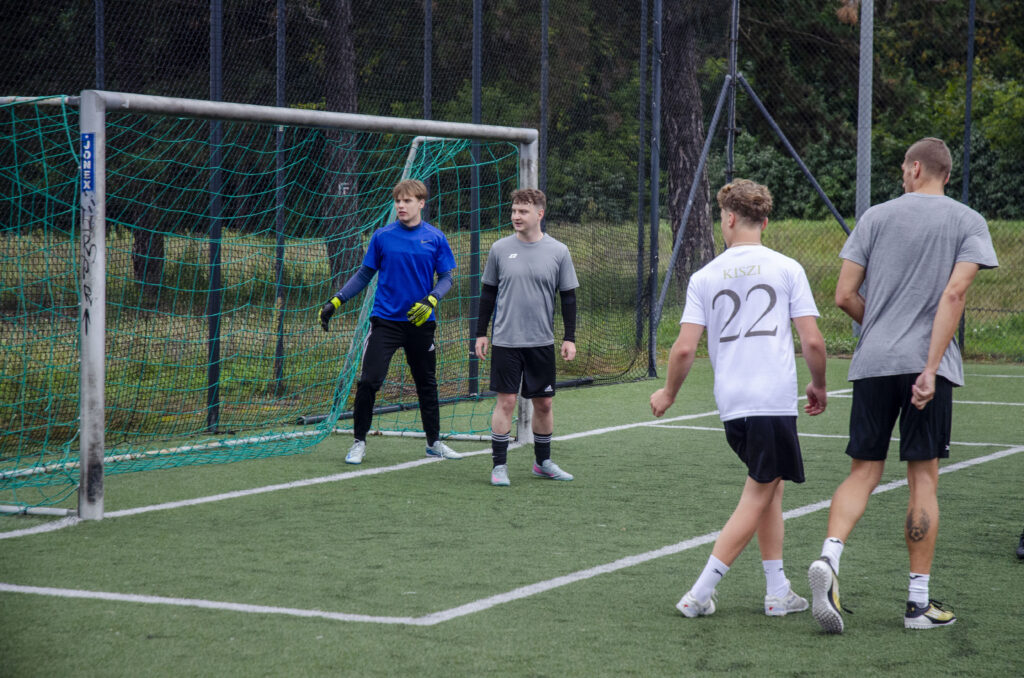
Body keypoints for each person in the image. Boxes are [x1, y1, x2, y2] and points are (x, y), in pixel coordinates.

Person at [808, 137, 998, 633]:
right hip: (925, 366)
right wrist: (929, 367)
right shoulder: (968, 221)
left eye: (903, 169)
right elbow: (954, 294)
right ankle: (917, 604)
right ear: (946, 175)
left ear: (915, 168)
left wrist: (881, 331)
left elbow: (844, 295)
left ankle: (829, 559)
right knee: (923, 479)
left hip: (874, 362)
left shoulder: (874, 217)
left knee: (862, 472)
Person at [650, 179, 828, 619]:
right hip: (771, 401)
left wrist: (669, 393)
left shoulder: (704, 276)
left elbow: (684, 348)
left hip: (732, 405)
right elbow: (812, 341)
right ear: (763, 222)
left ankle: (777, 590)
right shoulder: (787, 268)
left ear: (728, 218)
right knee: (758, 494)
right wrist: (819, 384)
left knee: (770, 488)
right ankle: (699, 592)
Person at [318, 178, 464, 464]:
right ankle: (359, 442)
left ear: (421, 203)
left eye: (407, 201)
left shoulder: (435, 237)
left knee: (427, 384)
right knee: (369, 381)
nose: (401, 205)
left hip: (421, 323)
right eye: (398, 201)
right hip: (385, 322)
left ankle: (433, 442)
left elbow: (446, 278)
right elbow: (364, 274)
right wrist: (336, 301)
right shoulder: (382, 236)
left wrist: (432, 299)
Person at [474, 188, 579, 487]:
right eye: (514, 211)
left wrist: (569, 337)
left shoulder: (559, 251)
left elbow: (568, 297)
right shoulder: (499, 249)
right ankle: (499, 466)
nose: (516, 216)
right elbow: (487, 294)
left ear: (539, 214)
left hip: (541, 342)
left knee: (544, 404)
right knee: (506, 402)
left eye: (523, 211)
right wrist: (480, 333)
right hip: (506, 342)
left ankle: (542, 463)